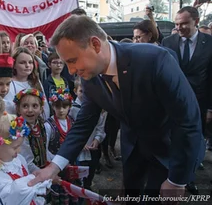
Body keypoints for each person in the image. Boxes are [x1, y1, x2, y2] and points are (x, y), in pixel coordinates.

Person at [29, 15, 202, 203]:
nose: (70, 71)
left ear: (95, 45)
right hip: (132, 150)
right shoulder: (90, 78)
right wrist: (54, 167)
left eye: (72, 60)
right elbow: (84, 123)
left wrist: (177, 181)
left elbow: (187, 120)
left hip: (169, 151)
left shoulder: (154, 60)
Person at [162, 6, 212, 194]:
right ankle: (170, 175)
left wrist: (210, 108)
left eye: (184, 23)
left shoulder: (210, 43)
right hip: (171, 104)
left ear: (196, 22)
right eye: (177, 24)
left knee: (192, 143)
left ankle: (187, 179)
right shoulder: (168, 42)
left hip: (198, 104)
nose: (179, 27)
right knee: (172, 141)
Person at [0, 113, 51, 204]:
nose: (19, 150)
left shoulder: (18, 160)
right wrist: (34, 179)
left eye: (20, 146)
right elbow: (12, 195)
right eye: (15, 147)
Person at [69, 78, 106, 188]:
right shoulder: (71, 109)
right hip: (79, 151)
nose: (84, 94)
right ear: (75, 91)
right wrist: (79, 143)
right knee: (79, 175)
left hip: (93, 148)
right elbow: (70, 129)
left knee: (91, 171)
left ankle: (88, 187)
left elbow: (100, 127)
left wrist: (97, 139)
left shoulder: (97, 107)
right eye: (81, 91)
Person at [44, 88, 78, 205]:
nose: (61, 110)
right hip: (56, 166)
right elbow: (46, 148)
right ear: (53, 107)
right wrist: (55, 163)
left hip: (71, 164)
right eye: (58, 107)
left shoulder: (72, 122)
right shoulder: (48, 125)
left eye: (65, 107)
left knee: (73, 192)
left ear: (69, 107)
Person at [14, 88, 49, 173]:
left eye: (35, 106)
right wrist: (46, 175)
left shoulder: (41, 125)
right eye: (25, 106)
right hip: (31, 174)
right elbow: (27, 162)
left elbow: (45, 151)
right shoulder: (21, 130)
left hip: (42, 171)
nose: (30, 110)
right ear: (18, 109)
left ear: (41, 109)